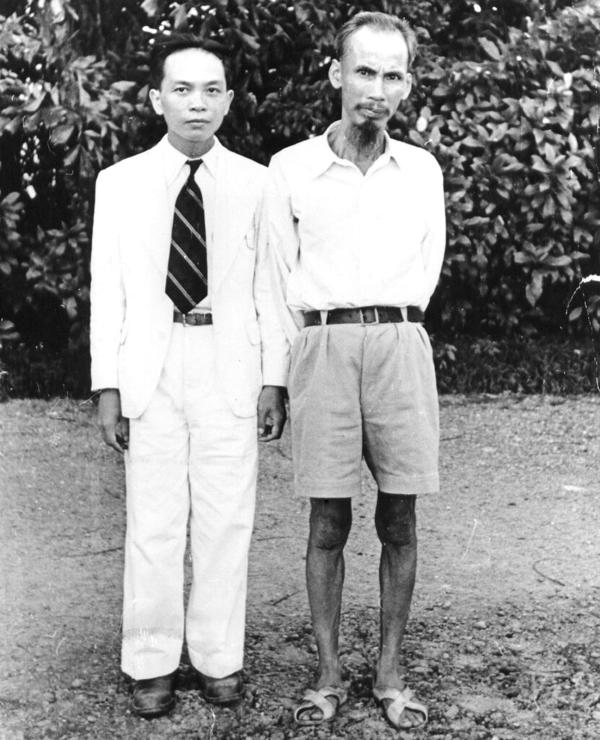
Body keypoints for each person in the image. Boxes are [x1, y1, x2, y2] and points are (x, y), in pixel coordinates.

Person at [257, 11, 446, 731]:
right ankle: (329, 673)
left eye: (392, 74)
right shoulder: (291, 169)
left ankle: (390, 671)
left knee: (400, 514)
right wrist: (277, 377)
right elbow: (277, 282)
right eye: (364, 71)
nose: (377, 88)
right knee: (327, 518)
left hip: (400, 344)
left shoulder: (421, 170)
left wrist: (394, 325)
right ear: (337, 75)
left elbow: (427, 267)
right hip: (324, 349)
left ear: (406, 84)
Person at [90, 34, 285, 719]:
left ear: (229, 100)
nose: (196, 104)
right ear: (156, 99)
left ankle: (216, 656)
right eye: (181, 89)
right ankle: (150, 659)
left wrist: (275, 378)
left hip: (229, 363)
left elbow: (270, 289)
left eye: (210, 91)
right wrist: (107, 383)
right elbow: (106, 290)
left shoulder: (259, 183)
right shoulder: (119, 183)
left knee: (227, 517)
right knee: (154, 518)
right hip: (153, 364)